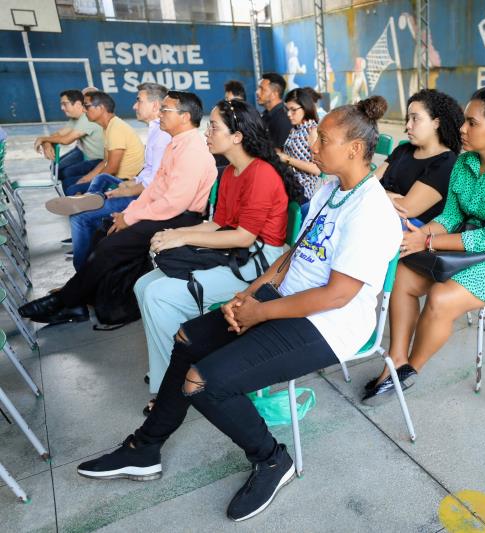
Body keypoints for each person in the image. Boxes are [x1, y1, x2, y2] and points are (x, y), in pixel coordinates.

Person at [75, 96, 401, 523]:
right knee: (187, 338)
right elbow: (292, 256)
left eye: (323, 139)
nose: (312, 146)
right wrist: (250, 294)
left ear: (355, 150)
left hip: (327, 325)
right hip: (285, 301)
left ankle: (271, 459)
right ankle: (146, 449)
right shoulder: (330, 189)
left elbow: (337, 296)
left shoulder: (371, 211)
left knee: (203, 383)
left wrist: (259, 313)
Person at [362, 84, 485, 404]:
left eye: (472, 123)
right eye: (464, 120)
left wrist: (429, 239)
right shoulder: (465, 163)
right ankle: (395, 362)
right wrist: (420, 237)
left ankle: (409, 371)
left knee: (441, 297)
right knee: (405, 271)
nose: (462, 128)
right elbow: (450, 215)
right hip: (473, 241)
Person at [136, 99, 304, 400]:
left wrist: (182, 239)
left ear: (237, 136)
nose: (206, 133)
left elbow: (243, 236)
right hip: (240, 254)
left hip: (261, 262)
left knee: (159, 295)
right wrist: (177, 233)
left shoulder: (261, 173)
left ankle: (171, 390)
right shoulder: (229, 172)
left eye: (213, 127)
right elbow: (219, 224)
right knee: (143, 285)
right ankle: (169, 370)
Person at [18, 91, 217, 326]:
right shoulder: (176, 144)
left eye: (165, 110)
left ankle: (65, 301)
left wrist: (131, 217)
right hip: (163, 211)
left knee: (111, 245)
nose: (160, 115)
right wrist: (128, 213)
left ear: (184, 117)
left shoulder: (192, 149)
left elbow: (175, 202)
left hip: (181, 218)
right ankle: (81, 301)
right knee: (104, 232)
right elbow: (153, 189)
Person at [45, 83, 171, 270]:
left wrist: (126, 189)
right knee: (98, 181)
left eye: (139, 101)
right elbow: (148, 171)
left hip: (146, 195)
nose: (134, 106)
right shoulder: (154, 130)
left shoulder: (159, 135)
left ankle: (81, 274)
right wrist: (131, 182)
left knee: (79, 217)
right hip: (138, 184)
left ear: (154, 106)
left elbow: (152, 183)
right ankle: (93, 198)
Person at [376, 89, 464, 226]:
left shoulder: (446, 163)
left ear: (436, 123)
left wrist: (377, 194)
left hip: (405, 232)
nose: (408, 125)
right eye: (408, 119)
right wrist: (389, 196)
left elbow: (406, 208)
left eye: (415, 119)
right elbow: (365, 184)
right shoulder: (403, 150)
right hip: (378, 217)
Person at [64, 91, 145, 196]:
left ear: (100, 108)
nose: (83, 110)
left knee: (72, 189)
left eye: (86, 106)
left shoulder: (116, 129)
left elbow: (112, 168)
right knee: (70, 182)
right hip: (114, 177)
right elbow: (106, 161)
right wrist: (87, 178)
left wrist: (93, 183)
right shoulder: (108, 127)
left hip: (123, 181)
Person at [33, 89, 104, 183]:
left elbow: (66, 140)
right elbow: (58, 135)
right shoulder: (77, 117)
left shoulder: (88, 118)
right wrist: (47, 143)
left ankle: (81, 189)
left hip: (97, 158)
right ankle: (73, 188)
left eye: (65, 104)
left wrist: (43, 139)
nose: (62, 108)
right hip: (83, 150)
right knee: (55, 168)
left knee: (67, 174)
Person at [277, 87, 321, 202]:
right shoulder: (295, 129)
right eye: (287, 110)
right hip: (291, 186)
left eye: (293, 110)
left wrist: (287, 159)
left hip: (304, 192)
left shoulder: (312, 131)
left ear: (305, 108)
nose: (289, 114)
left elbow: (317, 169)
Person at [256, 72, 292, 148]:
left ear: (275, 94)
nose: (257, 92)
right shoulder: (266, 115)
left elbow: (278, 154)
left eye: (262, 89)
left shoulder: (283, 118)